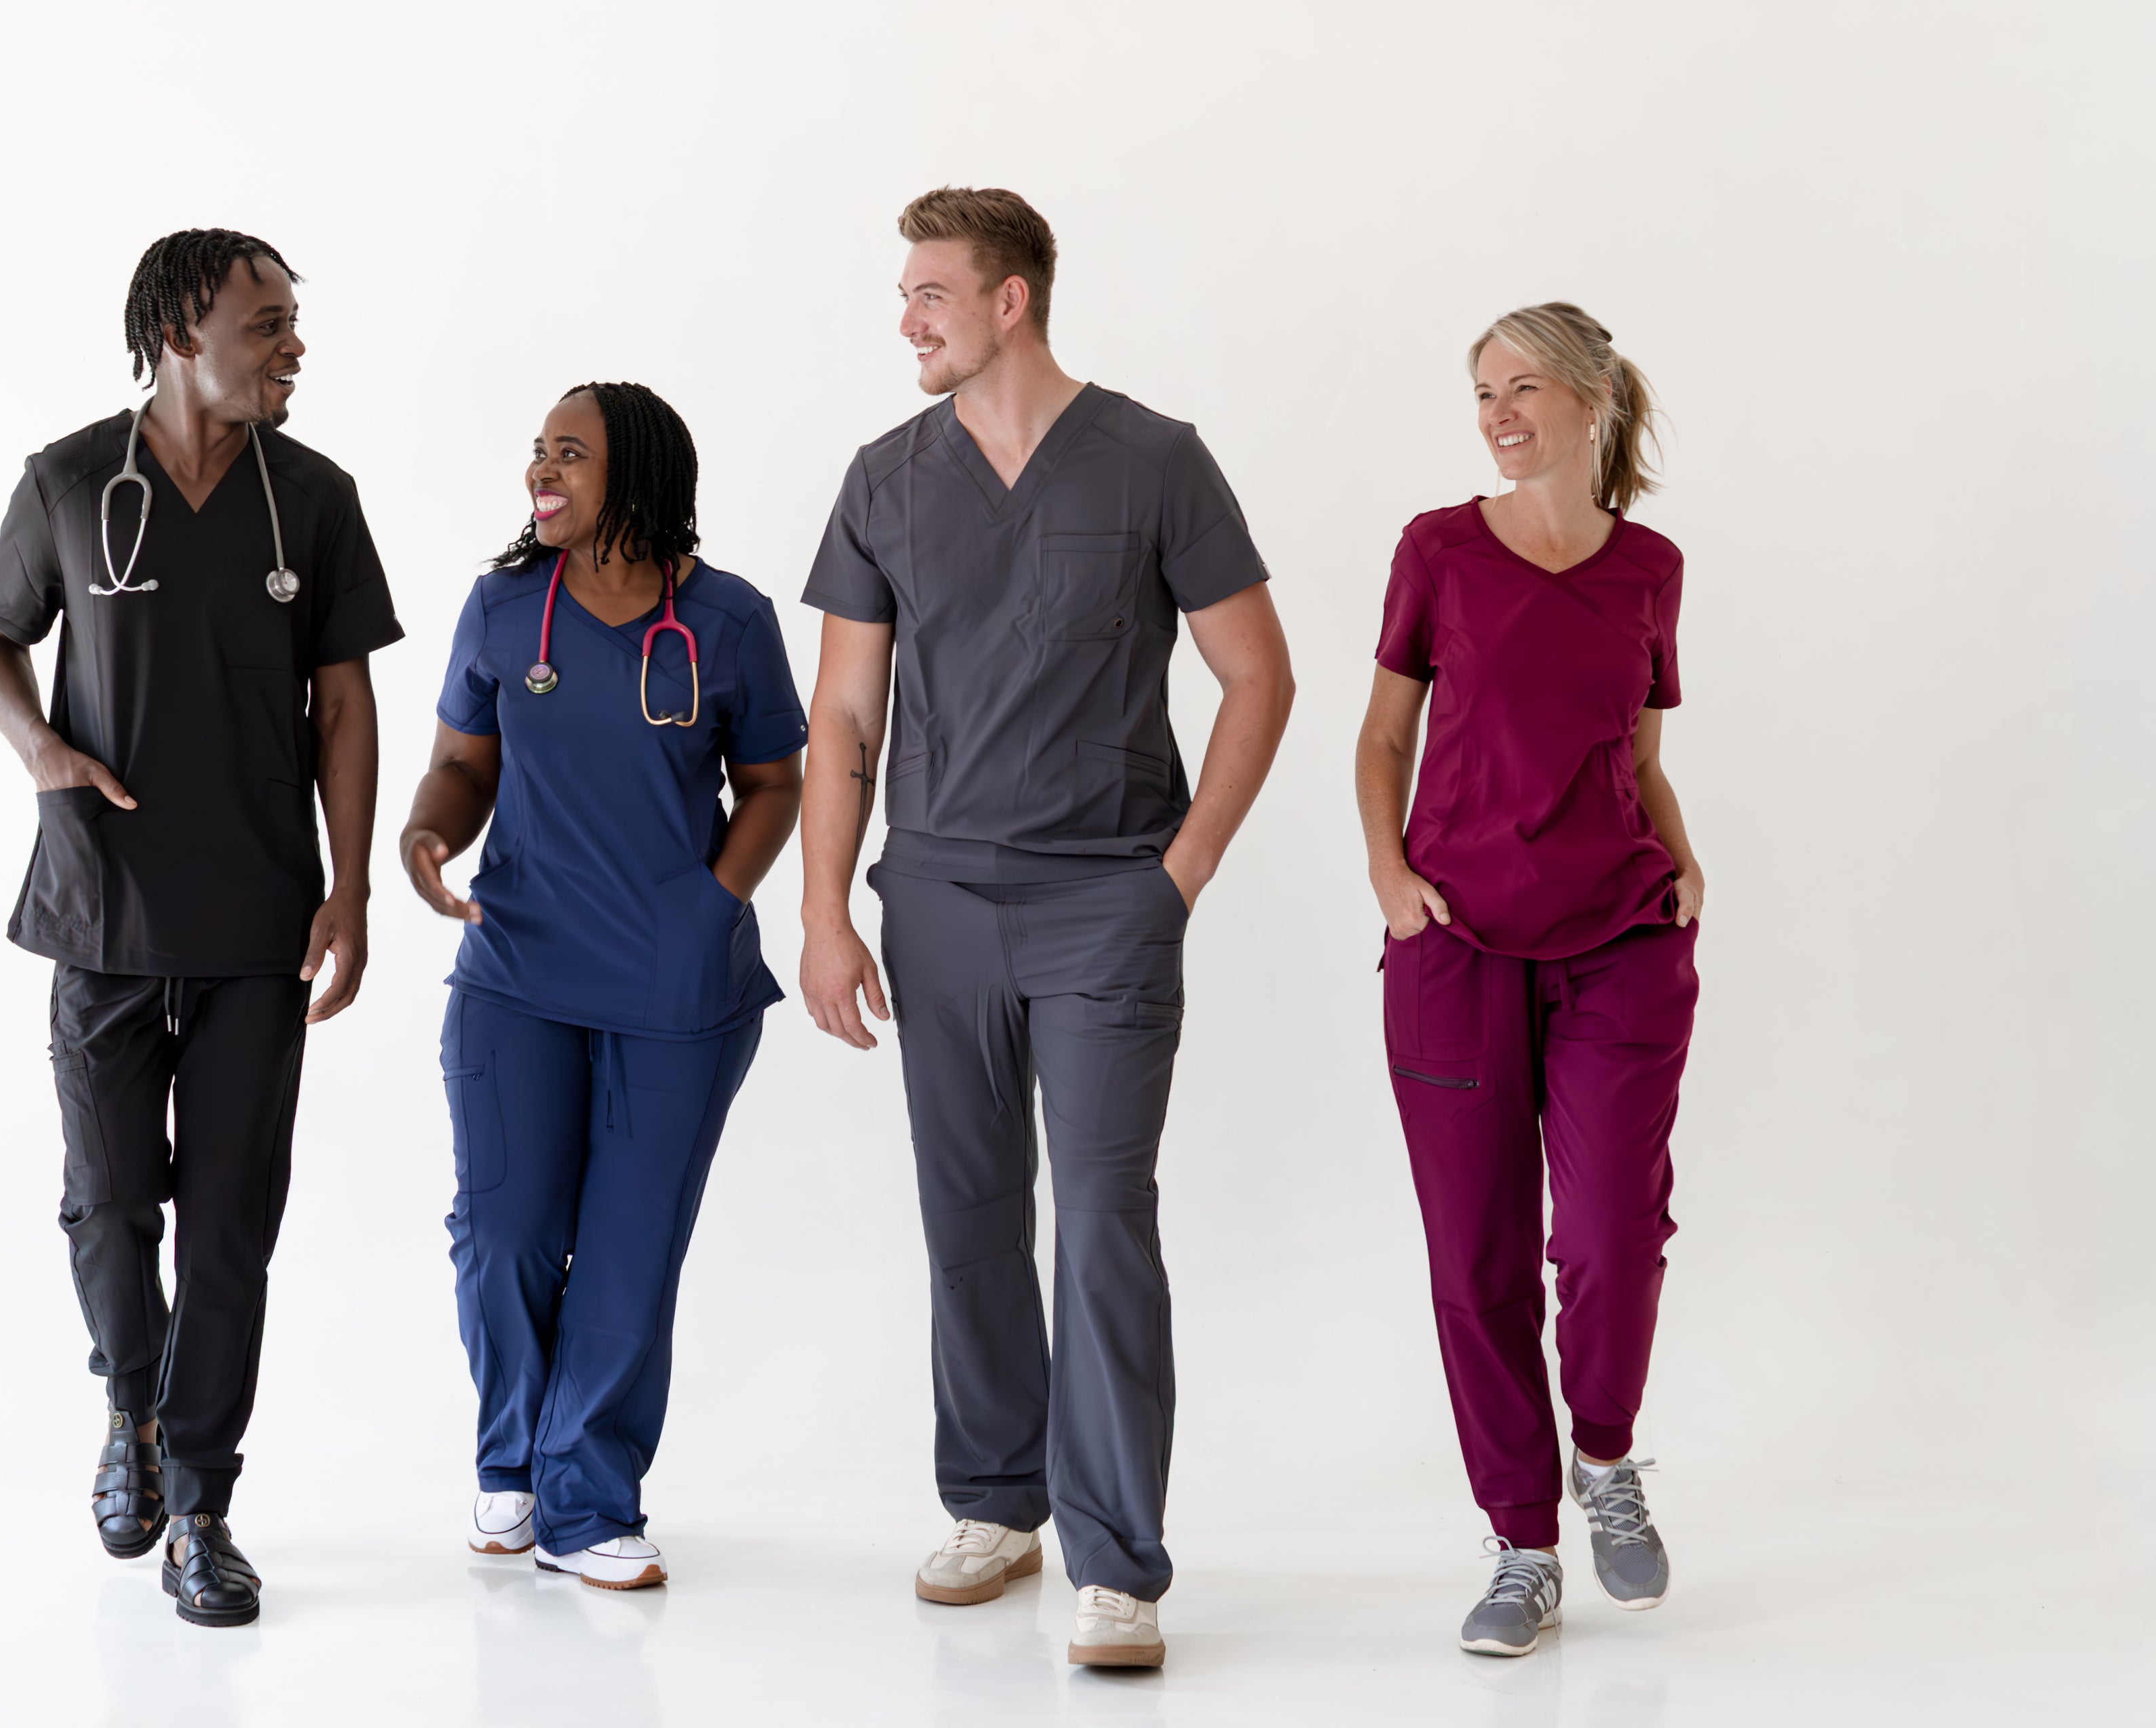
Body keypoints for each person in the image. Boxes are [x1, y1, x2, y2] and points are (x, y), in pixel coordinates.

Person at [799, 188, 1294, 1669]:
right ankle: (995, 1499)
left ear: (1012, 299)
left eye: (931, 293)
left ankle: (1118, 1556)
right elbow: (843, 711)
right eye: (905, 293)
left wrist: (1180, 871)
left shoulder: (1155, 462)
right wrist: (824, 907)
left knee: (1101, 1217)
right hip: (937, 897)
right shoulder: (886, 478)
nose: (908, 318)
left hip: (1104, 903)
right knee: (967, 1216)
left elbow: (1258, 672)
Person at [0, 230, 402, 1627]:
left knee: (229, 1228)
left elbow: (343, 699)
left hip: (257, 921)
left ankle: (202, 1502)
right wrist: (39, 747)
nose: (291, 343)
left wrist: (349, 886)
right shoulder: (73, 481)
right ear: (177, 333)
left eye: (290, 321)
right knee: (109, 1202)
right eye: (264, 321)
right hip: (100, 909)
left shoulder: (313, 500)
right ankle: (131, 1413)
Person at [403, 381, 806, 1591]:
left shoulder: (727, 621)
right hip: (517, 973)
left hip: (677, 989)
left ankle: (590, 1499)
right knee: (508, 1232)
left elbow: (775, 784)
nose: (543, 469)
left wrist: (708, 907)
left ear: (634, 475)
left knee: (630, 1250)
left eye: (568, 453)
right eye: (539, 451)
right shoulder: (504, 607)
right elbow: (461, 764)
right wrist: (428, 837)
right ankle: (514, 1468)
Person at [1353, 302, 1702, 1657]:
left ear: (1593, 399)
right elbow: (1384, 738)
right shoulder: (1438, 550)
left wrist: (1685, 862)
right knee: (1478, 1259)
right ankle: (1522, 1540)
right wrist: (1393, 881)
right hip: (1456, 947)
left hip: (1621, 937)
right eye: (1481, 390)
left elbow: (1642, 751)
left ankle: (1604, 1453)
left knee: (1613, 1228)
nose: (1497, 411)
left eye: (1522, 385)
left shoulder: (1653, 569)